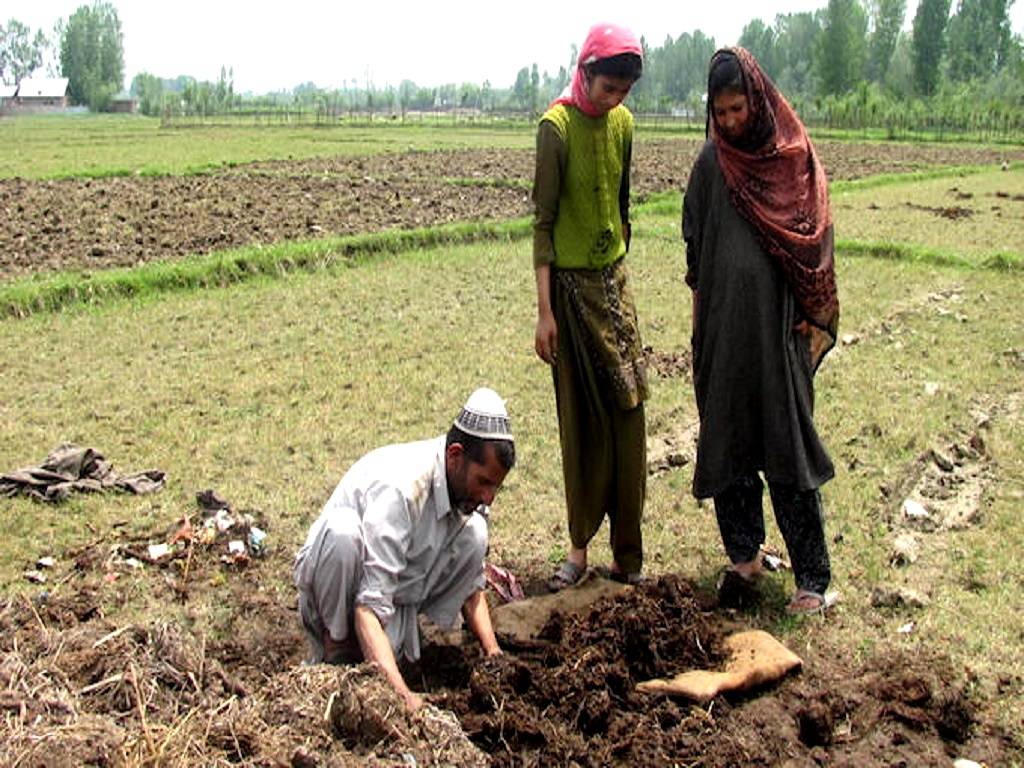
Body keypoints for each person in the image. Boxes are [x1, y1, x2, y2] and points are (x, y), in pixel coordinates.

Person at [682, 47, 839, 615]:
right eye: (719, 112)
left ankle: (813, 579)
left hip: (778, 335)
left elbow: (815, 242)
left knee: (786, 443)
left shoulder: (791, 160)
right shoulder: (709, 166)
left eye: (737, 109)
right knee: (728, 441)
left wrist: (814, 313)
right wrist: (700, 337)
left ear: (757, 98)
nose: (728, 122)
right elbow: (697, 258)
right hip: (724, 331)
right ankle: (743, 557)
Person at [293, 388, 515, 711]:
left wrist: (494, 654)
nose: (489, 496)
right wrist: (404, 700)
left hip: (391, 601)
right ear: (455, 456)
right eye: (484, 482)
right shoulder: (403, 489)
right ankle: (337, 650)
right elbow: (367, 607)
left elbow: (472, 588)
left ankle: (381, 654)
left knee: (475, 534)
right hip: (340, 595)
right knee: (343, 533)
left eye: (496, 486)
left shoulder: (468, 493)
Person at [532, 22, 648, 591]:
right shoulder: (555, 129)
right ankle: (578, 551)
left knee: (629, 417)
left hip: (615, 288)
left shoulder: (624, 125)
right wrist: (544, 311)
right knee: (581, 422)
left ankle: (628, 556)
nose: (614, 100)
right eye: (608, 88)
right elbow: (544, 225)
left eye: (624, 91)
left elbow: (623, 203)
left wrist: (619, 268)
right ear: (585, 74)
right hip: (571, 296)